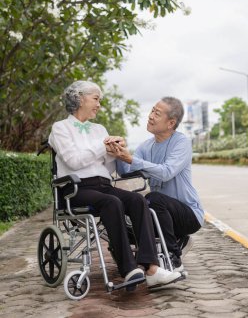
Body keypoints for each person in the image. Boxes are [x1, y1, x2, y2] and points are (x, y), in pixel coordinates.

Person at [48, 81, 182, 289]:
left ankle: (152, 268)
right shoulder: (60, 129)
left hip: (103, 185)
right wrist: (102, 146)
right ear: (80, 98)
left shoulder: (99, 129)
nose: (99, 105)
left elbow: (110, 168)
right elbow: (74, 161)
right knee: (111, 202)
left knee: (137, 200)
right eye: (95, 99)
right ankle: (128, 269)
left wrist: (117, 151)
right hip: (74, 189)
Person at [105, 96, 204, 273]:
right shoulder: (146, 146)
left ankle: (174, 258)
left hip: (188, 214)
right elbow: (127, 171)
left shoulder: (181, 142)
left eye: (157, 114)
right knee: (130, 222)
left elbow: (166, 173)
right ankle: (175, 241)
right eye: (152, 110)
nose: (150, 116)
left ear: (170, 123)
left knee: (153, 198)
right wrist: (119, 153)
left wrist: (131, 158)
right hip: (161, 213)